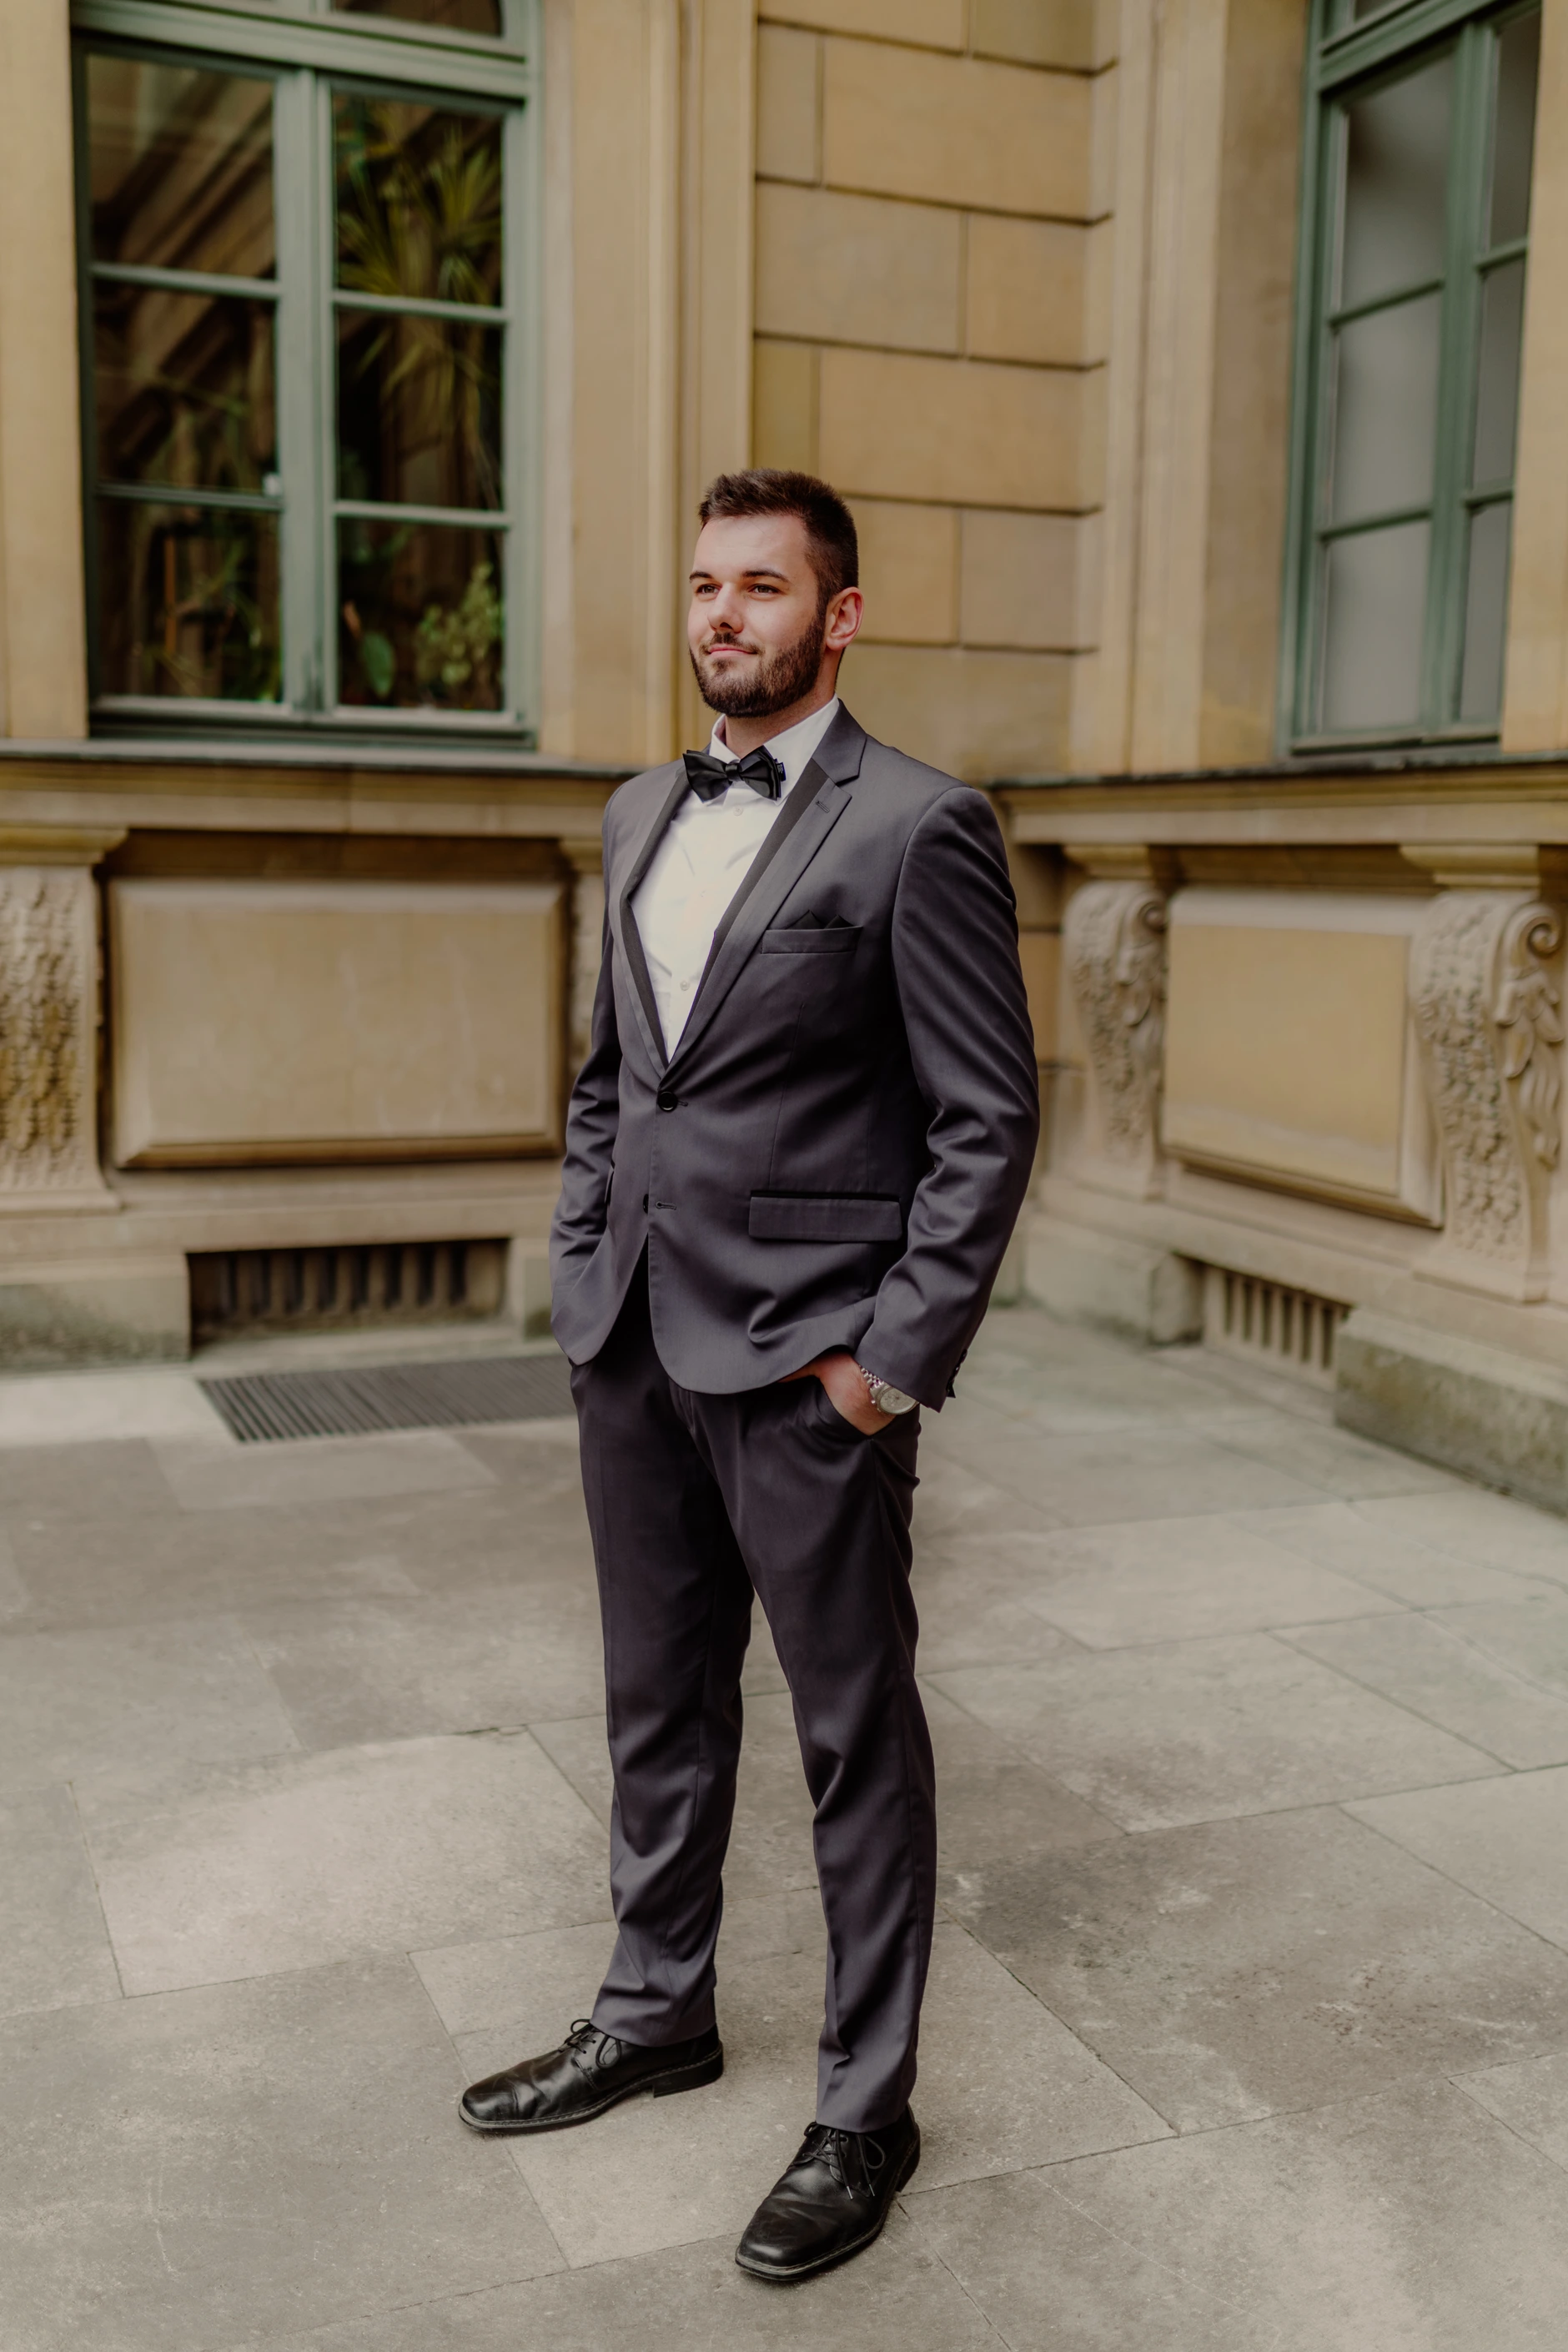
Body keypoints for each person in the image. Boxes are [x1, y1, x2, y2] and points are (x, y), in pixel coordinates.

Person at [460, 468, 1039, 2283]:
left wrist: (886, 1367)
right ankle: (656, 2009)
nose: (722, 615)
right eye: (705, 585)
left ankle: (865, 2109)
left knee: (853, 1736)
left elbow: (986, 1119)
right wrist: (580, 1281)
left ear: (838, 615)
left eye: (762, 588)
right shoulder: (639, 807)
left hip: (809, 1366)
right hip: (633, 1338)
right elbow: (610, 1080)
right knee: (654, 1700)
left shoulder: (917, 826)